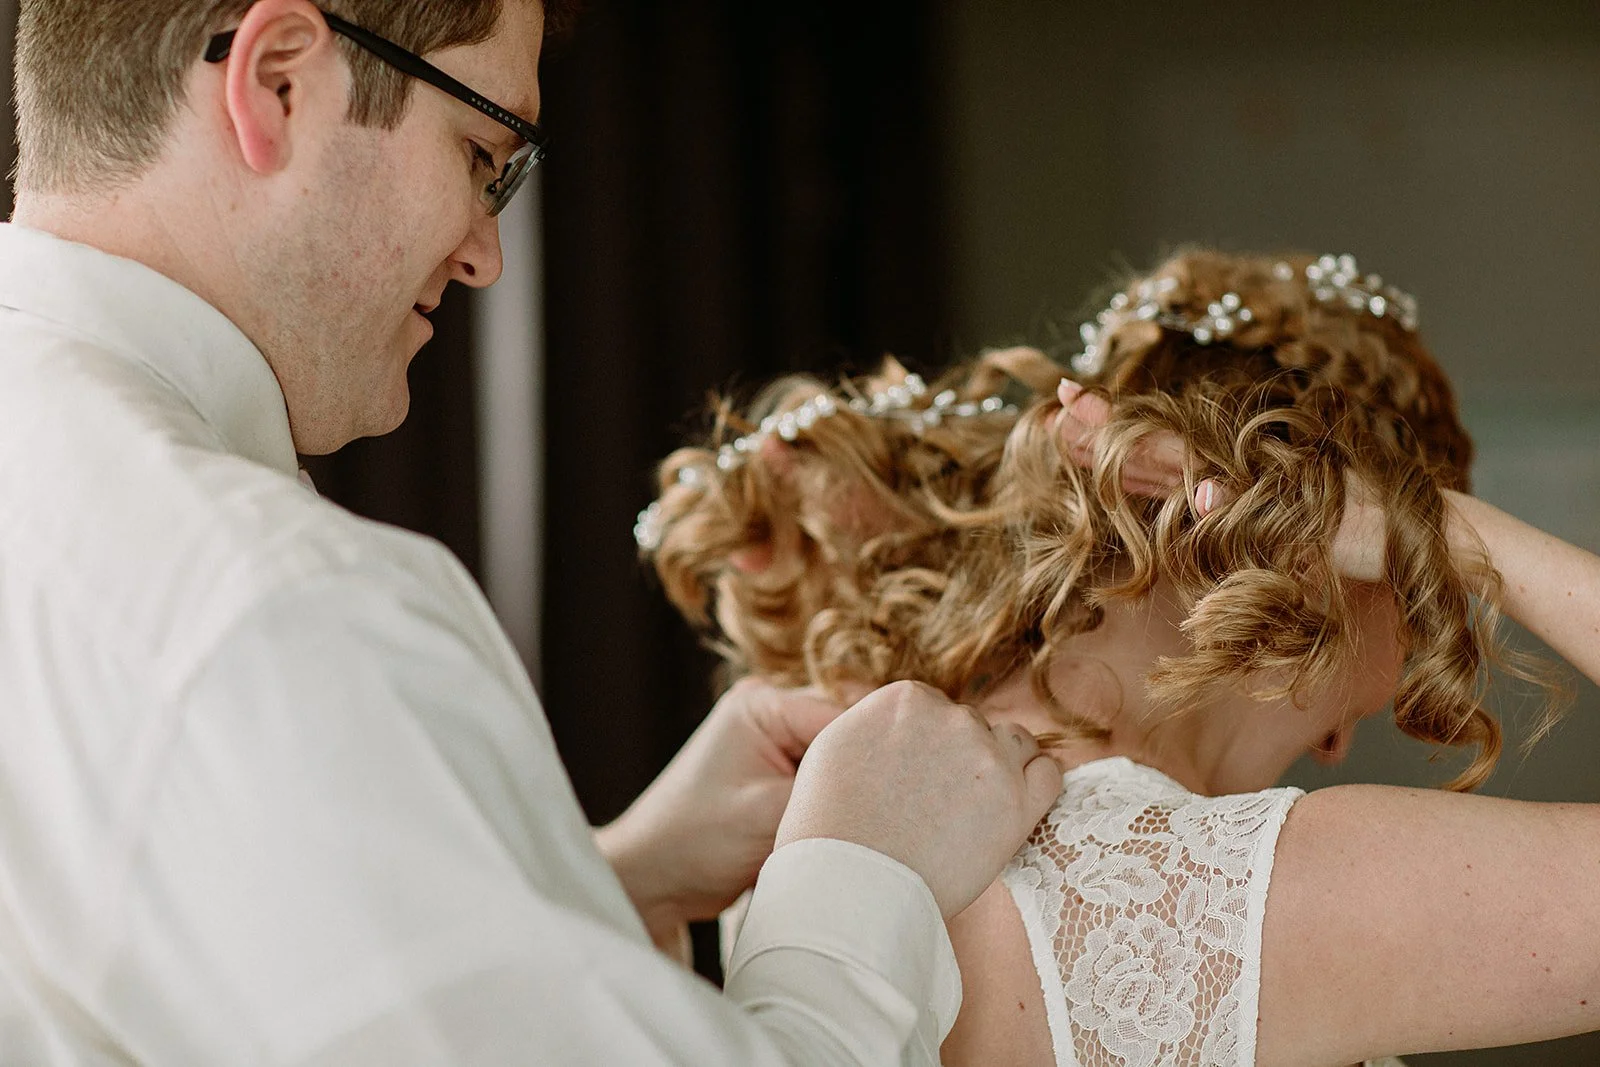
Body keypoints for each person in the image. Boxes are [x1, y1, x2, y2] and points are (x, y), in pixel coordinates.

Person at [0, 1, 1068, 1062]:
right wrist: (859, 870)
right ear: (280, 80)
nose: (484, 256)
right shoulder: (277, 605)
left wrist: (602, 879)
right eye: (482, 155)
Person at [636, 248, 1600, 1065]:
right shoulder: (1219, 900)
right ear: (1334, 555)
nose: (1367, 722)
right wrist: (1461, 535)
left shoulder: (829, 839)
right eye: (1424, 597)